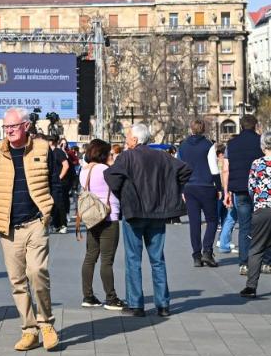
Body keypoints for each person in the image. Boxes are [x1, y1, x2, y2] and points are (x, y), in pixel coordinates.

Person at [0, 107, 59, 352]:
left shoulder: (43, 149)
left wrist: (52, 212)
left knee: (37, 272)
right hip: (7, 227)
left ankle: (46, 323)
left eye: (13, 126)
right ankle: (29, 330)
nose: (9, 131)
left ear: (26, 126)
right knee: (17, 281)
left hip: (35, 222)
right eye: (6, 127)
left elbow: (56, 182)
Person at [105, 123, 191, 318]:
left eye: (127, 137)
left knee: (133, 259)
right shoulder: (162, 156)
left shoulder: (127, 156)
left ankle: (136, 304)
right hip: (157, 213)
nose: (126, 140)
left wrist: (125, 193)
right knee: (157, 259)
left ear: (135, 139)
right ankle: (163, 305)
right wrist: (170, 191)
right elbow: (185, 170)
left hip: (134, 213)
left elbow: (111, 176)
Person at [74, 139, 125, 310]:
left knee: (90, 257)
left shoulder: (84, 170)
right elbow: (119, 184)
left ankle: (87, 295)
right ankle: (111, 298)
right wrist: (111, 163)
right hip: (108, 216)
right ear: (103, 154)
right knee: (107, 260)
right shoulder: (105, 169)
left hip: (92, 217)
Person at [222, 115, 270, 276]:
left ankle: (244, 263)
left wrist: (226, 191)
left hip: (240, 190)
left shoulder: (231, 144)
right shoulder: (261, 142)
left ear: (241, 127)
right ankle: (266, 262)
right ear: (256, 126)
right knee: (265, 226)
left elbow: (226, 169)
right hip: (260, 190)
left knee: (244, 227)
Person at [177, 119, 220, 268]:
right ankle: (207, 251)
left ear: (191, 128)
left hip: (189, 187)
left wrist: (181, 188)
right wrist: (219, 188)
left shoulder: (182, 146)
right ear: (204, 129)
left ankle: (196, 255)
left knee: (194, 222)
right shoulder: (208, 145)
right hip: (206, 186)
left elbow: (179, 168)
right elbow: (214, 168)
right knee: (212, 220)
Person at [240, 131, 271, 298]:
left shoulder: (257, 163)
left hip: (263, 209)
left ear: (263, 145)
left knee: (257, 248)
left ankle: (251, 287)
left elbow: (251, 188)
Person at [46, 135, 70, 234]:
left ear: (53, 142)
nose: (48, 142)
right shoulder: (46, 152)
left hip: (57, 183)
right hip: (48, 182)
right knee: (50, 205)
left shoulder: (58, 152)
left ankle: (63, 225)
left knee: (59, 204)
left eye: (50, 140)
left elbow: (66, 165)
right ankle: (54, 224)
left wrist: (59, 177)